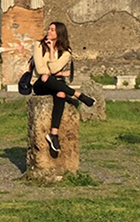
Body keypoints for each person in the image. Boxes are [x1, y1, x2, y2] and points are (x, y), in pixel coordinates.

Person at [32, 22, 95, 155]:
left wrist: (51, 53)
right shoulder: (38, 45)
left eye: (52, 30)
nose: (48, 31)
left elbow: (53, 69)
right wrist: (54, 70)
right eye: (48, 29)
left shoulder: (66, 52)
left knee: (60, 94)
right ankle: (78, 95)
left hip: (56, 84)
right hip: (40, 84)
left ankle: (53, 135)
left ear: (59, 33)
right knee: (45, 78)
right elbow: (40, 70)